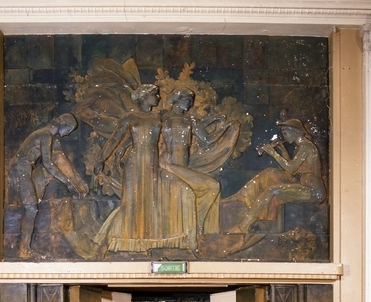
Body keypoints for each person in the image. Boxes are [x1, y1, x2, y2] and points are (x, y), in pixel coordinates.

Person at [93, 84, 195, 256]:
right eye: (154, 94)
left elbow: (175, 121)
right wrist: (101, 159)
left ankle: (144, 243)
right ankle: (105, 243)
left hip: (152, 163)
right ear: (144, 97)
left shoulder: (159, 116)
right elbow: (115, 139)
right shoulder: (129, 117)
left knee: (152, 202)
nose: (158, 97)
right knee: (131, 204)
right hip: (135, 163)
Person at [8, 113, 88, 259]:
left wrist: (79, 181)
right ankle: (24, 250)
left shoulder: (52, 138)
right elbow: (48, 163)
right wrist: (67, 182)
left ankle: (25, 249)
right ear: (62, 124)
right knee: (31, 209)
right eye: (69, 129)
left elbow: (62, 159)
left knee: (32, 209)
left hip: (26, 170)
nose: (68, 134)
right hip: (20, 169)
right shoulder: (45, 135)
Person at [226, 118, 326, 234]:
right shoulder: (300, 147)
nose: (284, 137)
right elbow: (292, 169)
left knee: (272, 190)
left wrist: (273, 153)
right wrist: (282, 150)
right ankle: (242, 195)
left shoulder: (306, 146)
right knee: (270, 172)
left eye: (285, 133)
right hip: (304, 185)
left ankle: (244, 225)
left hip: (313, 191)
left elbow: (290, 168)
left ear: (295, 131)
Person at [161, 88, 235, 238]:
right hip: (167, 164)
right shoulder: (162, 117)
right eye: (187, 100)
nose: (190, 103)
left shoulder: (190, 120)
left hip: (182, 166)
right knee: (211, 186)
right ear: (177, 100)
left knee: (212, 186)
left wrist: (222, 127)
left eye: (191, 100)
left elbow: (207, 139)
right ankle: (196, 225)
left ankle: (196, 223)